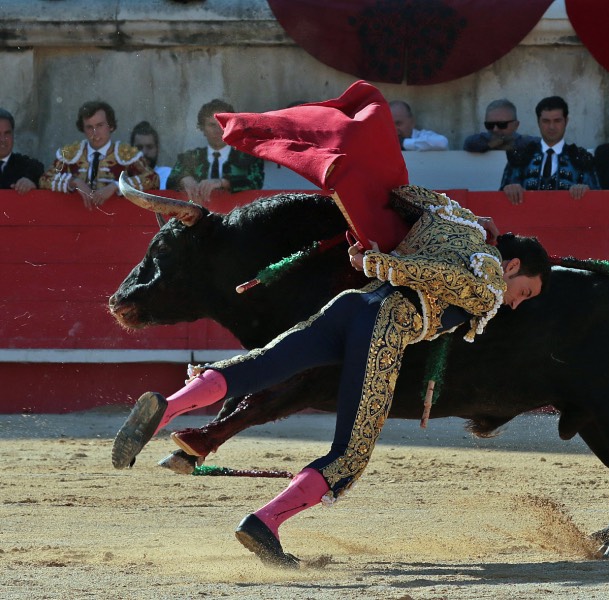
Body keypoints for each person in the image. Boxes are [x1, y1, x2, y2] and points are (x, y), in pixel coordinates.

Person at [112, 185, 550, 568]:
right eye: (525, 291)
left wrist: (468, 222)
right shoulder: (490, 282)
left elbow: (398, 193)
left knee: (263, 364)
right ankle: (263, 523)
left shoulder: (448, 212)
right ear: (512, 265)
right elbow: (436, 275)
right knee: (350, 454)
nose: (515, 302)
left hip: (348, 305)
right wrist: (377, 262)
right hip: (382, 331)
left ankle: (167, 408)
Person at [39, 100, 159, 209]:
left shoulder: (127, 155)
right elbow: (44, 180)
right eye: (89, 127)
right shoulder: (70, 154)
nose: (95, 133)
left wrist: (117, 186)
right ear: (83, 129)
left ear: (111, 126)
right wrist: (73, 181)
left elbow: (153, 179)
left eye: (100, 125)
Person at [500, 95, 599, 205]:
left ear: (566, 121)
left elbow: (597, 201)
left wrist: (586, 191)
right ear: (538, 122)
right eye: (546, 121)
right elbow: (501, 199)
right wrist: (509, 188)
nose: (551, 127)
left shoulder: (581, 158)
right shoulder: (520, 156)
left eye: (557, 121)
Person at [168, 99, 264, 203]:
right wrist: (184, 180)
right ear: (202, 128)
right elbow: (170, 181)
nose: (218, 130)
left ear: (231, 127)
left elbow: (256, 182)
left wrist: (223, 183)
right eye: (212, 125)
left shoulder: (248, 156)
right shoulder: (191, 157)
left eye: (222, 124)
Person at [463, 99, 537, 153]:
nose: (495, 129)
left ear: (516, 125)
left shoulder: (527, 143)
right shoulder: (479, 141)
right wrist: (489, 145)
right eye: (490, 125)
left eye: (502, 124)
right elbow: (469, 144)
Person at [0, 108, 44, 194]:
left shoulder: (25, 166)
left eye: (7, 133)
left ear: (13, 135)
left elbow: (39, 170)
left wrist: (30, 180)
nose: (3, 139)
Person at [130, 121, 171, 190]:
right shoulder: (122, 177)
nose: (144, 152)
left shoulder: (167, 175)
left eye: (149, 147)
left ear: (157, 148)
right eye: (139, 148)